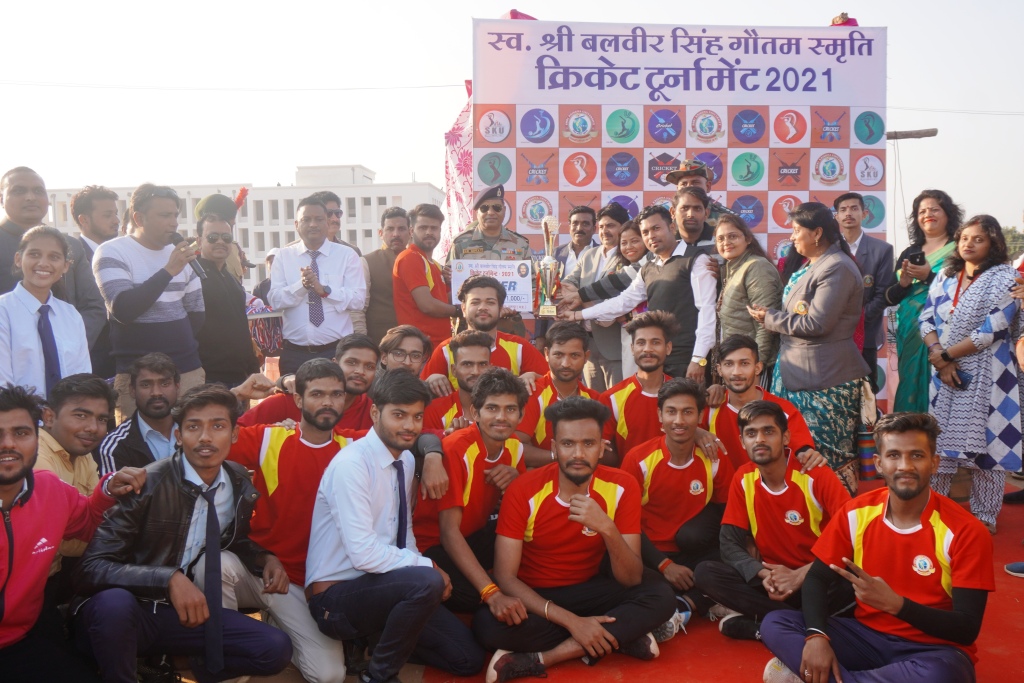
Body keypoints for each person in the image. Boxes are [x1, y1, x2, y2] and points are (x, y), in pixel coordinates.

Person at [74, 385, 294, 683]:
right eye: (193, 427)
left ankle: (168, 664)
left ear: (234, 434)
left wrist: (264, 558)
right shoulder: (147, 483)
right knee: (114, 605)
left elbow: (232, 539)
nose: (205, 437)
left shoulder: (237, 480)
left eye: (217, 426)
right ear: (178, 435)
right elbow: (90, 568)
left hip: (178, 615)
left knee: (274, 648)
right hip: (127, 612)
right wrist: (168, 579)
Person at [760, 413, 995, 683]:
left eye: (917, 455)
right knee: (776, 623)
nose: (905, 466)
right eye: (894, 455)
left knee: (943, 675)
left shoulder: (967, 531)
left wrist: (897, 605)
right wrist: (816, 636)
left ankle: (823, 677)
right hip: (865, 637)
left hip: (932, 649)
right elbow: (817, 577)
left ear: (934, 463)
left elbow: (966, 628)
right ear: (879, 463)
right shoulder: (857, 512)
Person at [474, 396, 675, 682]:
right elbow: (506, 577)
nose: (578, 454)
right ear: (554, 448)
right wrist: (572, 622)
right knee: (487, 627)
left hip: (591, 591)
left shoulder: (622, 486)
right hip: (537, 597)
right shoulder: (524, 490)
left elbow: (630, 578)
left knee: (661, 595)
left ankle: (546, 657)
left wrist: (607, 528)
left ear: (602, 448)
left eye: (588, 444)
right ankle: (617, 637)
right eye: (568, 444)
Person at [305, 370, 486, 683]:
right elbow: (363, 554)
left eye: (417, 417)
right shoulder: (352, 465)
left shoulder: (406, 459)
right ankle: (380, 676)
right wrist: (427, 567)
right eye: (399, 415)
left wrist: (420, 565)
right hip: (335, 600)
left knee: (467, 658)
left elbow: (404, 533)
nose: (410, 426)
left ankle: (376, 639)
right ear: (376, 413)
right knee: (426, 580)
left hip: (385, 587)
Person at [0, 383, 144, 683]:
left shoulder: (49, 488)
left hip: (23, 638)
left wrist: (108, 490)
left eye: (21, 433)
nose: (9, 444)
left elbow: (87, 521)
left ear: (36, 437)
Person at [693, 401, 852, 642]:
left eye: (768, 431)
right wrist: (761, 573)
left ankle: (765, 626)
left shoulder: (816, 474)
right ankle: (798, 623)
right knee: (706, 573)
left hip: (817, 577)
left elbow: (853, 536)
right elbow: (729, 543)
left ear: (786, 437)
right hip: (773, 582)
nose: (759, 439)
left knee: (852, 580)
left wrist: (800, 576)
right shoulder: (743, 477)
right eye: (751, 433)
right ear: (742, 441)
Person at [748, 202, 870, 494]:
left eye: (796, 230)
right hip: (797, 373)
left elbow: (817, 323)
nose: (791, 237)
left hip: (825, 379)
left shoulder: (837, 266)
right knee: (798, 455)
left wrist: (770, 318)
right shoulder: (813, 264)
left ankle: (837, 516)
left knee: (826, 459)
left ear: (817, 233)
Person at [920, 214, 1021, 534]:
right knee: (939, 446)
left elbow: (993, 328)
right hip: (944, 375)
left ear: (994, 244)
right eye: (965, 238)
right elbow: (926, 318)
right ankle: (935, 511)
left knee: (988, 450)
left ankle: (985, 517)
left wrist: (946, 356)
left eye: (979, 239)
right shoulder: (945, 275)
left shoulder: (1005, 277)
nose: (969, 244)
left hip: (990, 372)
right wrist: (941, 358)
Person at [621, 378, 735, 630]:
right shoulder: (639, 459)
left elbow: (728, 512)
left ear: (700, 416)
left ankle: (685, 605)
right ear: (659, 415)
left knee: (736, 563)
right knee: (631, 583)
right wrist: (665, 565)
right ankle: (697, 600)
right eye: (671, 412)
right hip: (650, 555)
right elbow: (625, 525)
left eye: (688, 412)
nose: (679, 420)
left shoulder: (713, 456)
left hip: (694, 553)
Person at [414, 368, 529, 614]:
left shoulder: (515, 446)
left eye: (510, 409)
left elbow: (520, 510)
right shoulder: (457, 448)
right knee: (471, 595)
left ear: (521, 415)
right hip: (431, 543)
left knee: (531, 546)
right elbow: (448, 532)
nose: (501, 417)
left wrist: (517, 481)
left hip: (473, 534)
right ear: (475, 412)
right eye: (492, 408)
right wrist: (491, 593)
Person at [93, 184, 206, 421]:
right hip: (137, 376)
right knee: (137, 441)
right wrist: (168, 271)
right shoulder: (112, 251)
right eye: (164, 215)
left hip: (185, 369)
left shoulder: (181, 253)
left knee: (192, 436)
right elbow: (123, 309)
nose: (173, 223)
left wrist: (173, 344)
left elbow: (196, 313)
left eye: (175, 215)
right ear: (139, 218)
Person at [567, 204, 715, 380]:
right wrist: (577, 315)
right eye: (645, 232)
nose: (651, 236)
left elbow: (707, 311)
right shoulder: (648, 267)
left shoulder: (696, 260)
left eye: (656, 228)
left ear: (672, 227)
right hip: (657, 360)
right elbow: (623, 302)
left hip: (688, 361)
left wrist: (698, 359)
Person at [0, 168, 106, 351]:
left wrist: (68, 346)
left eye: (38, 191)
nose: (30, 197)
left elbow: (94, 306)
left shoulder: (70, 246)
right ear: (2, 198)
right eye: (19, 191)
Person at [33, 374, 116, 605]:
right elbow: (63, 541)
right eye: (81, 415)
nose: (93, 428)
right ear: (49, 417)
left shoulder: (83, 454)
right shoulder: (34, 453)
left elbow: (97, 520)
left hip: (51, 578)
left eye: (101, 419)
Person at [884, 190, 961, 413]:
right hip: (910, 328)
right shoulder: (910, 252)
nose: (928, 214)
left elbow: (965, 289)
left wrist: (929, 276)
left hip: (947, 328)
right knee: (910, 381)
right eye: (922, 211)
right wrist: (903, 284)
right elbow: (889, 297)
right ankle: (910, 429)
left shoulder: (959, 249)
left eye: (934, 209)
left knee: (942, 381)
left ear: (948, 214)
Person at [269, 196, 365, 374]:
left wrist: (326, 291)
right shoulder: (283, 256)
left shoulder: (347, 255)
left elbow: (358, 300)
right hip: (295, 352)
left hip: (336, 351)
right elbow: (275, 300)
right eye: (306, 219)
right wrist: (302, 286)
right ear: (296, 224)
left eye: (319, 219)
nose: (313, 224)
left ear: (327, 223)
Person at [0, 226, 91, 394]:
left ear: (65, 266)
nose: (43, 263)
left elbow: (82, 378)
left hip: (67, 410)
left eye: (54, 257)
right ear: (18, 259)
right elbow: (2, 384)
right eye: (34, 254)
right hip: (15, 409)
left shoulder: (71, 315)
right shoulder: (3, 311)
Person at [421, 276, 546, 396]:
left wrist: (535, 377)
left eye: (490, 302)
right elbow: (419, 393)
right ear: (463, 309)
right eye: (475, 302)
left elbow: (551, 385)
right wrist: (430, 381)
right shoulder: (445, 350)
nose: (482, 308)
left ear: (500, 308)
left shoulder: (520, 347)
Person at [706, 335, 816, 471]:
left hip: (769, 484)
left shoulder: (783, 410)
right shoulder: (711, 405)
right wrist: (697, 433)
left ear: (758, 368)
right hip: (720, 485)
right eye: (729, 364)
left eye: (744, 363)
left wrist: (807, 455)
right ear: (719, 369)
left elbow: (804, 452)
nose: (736, 372)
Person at [557, 202, 630, 390]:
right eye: (602, 226)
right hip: (588, 342)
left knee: (616, 401)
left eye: (611, 226)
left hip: (614, 343)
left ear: (623, 227)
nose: (605, 231)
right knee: (593, 401)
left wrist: (581, 299)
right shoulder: (589, 254)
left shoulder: (628, 257)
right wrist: (566, 289)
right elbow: (570, 282)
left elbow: (619, 298)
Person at [238, 334, 378, 429]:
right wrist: (271, 435)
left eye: (370, 366)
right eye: (352, 362)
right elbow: (232, 435)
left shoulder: (373, 413)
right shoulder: (290, 401)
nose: (360, 371)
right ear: (335, 363)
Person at [446, 185, 532, 338]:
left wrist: (517, 304)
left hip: (509, 324)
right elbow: (449, 286)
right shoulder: (460, 243)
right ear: (477, 212)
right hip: (471, 325)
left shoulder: (520, 244)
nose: (490, 212)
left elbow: (531, 284)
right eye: (484, 208)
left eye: (496, 208)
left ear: (504, 210)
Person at [193, 194, 259, 388]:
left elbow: (240, 326)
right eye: (213, 237)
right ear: (199, 241)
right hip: (209, 379)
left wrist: (253, 369)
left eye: (226, 237)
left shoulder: (230, 278)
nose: (220, 242)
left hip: (240, 376)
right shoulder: (190, 275)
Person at [515, 322, 601, 467]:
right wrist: (560, 457)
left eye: (574, 355)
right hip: (540, 476)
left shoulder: (595, 400)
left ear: (586, 356)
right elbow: (515, 446)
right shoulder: (532, 393)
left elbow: (605, 452)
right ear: (546, 354)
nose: (566, 363)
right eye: (559, 355)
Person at [835, 192, 896, 392]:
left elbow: (882, 295)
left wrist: (856, 320)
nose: (848, 213)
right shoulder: (829, 249)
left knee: (866, 393)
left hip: (866, 334)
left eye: (854, 208)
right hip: (832, 334)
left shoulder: (882, 250)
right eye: (843, 210)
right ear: (836, 217)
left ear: (864, 214)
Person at [600, 311, 675, 462]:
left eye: (655, 342)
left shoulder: (684, 395)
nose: (647, 349)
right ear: (632, 348)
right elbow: (604, 451)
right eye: (641, 343)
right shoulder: (611, 398)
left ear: (668, 348)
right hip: (628, 477)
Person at [714, 215, 783, 374]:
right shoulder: (732, 269)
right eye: (720, 239)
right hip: (740, 365)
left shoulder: (756, 267)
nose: (726, 242)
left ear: (748, 239)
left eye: (733, 236)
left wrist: (757, 365)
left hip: (756, 368)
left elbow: (765, 325)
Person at [96, 352, 180, 473]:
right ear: (132, 390)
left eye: (165, 384)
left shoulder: (198, 430)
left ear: (177, 387)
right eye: (146, 385)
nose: (156, 392)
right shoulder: (115, 445)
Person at [70, 185, 121, 379]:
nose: (116, 220)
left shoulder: (122, 253)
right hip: (90, 364)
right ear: (84, 220)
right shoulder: (70, 259)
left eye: (116, 214)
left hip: (125, 360)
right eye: (108, 215)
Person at [393, 203, 459, 347]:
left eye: (434, 228)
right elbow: (427, 305)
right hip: (419, 348)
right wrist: (460, 311)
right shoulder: (410, 257)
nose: (429, 232)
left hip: (438, 345)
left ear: (440, 231)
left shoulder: (435, 265)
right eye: (423, 228)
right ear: (411, 231)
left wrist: (456, 283)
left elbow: (447, 299)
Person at [534, 205, 599, 351]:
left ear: (594, 228)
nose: (579, 228)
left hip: (592, 331)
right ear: (569, 227)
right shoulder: (553, 255)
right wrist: (540, 335)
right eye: (575, 223)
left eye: (585, 223)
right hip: (558, 327)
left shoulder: (601, 255)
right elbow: (545, 294)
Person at [423, 330, 492, 434]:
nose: (476, 371)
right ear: (454, 370)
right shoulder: (435, 410)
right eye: (467, 364)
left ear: (490, 368)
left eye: (482, 364)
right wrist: (452, 438)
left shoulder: (505, 408)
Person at [363, 207, 410, 345]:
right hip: (378, 342)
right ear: (381, 233)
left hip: (412, 341)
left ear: (410, 232)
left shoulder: (420, 261)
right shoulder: (367, 262)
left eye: (401, 229)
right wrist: (361, 341)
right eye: (390, 229)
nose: (396, 234)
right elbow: (358, 308)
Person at [664, 158, 735, 227]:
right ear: (677, 188)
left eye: (695, 182)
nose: (689, 187)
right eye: (684, 184)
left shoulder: (726, 218)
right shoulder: (665, 218)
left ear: (708, 186)